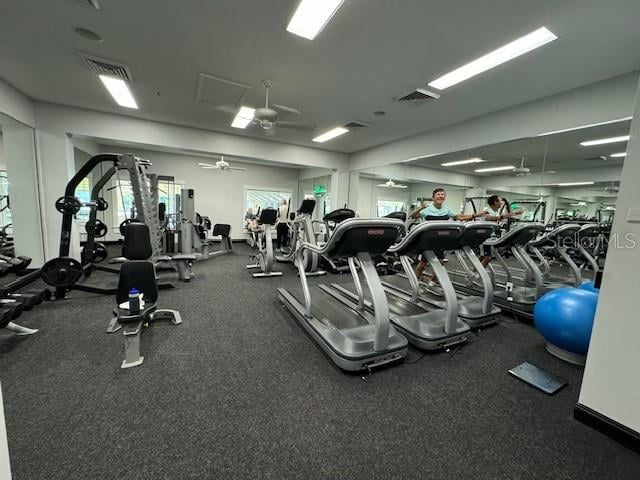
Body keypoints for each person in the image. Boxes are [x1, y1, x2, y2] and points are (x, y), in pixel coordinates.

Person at [411, 188, 475, 281]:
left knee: (441, 263)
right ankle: (415, 282)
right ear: (433, 198)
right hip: (429, 240)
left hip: (441, 240)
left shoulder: (446, 210)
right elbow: (413, 216)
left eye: (442, 194)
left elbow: (459, 217)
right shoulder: (427, 210)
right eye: (438, 194)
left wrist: (474, 215)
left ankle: (432, 283)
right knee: (422, 264)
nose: (441, 196)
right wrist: (420, 208)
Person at [475, 195, 516, 268]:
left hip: (489, 237)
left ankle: (474, 271)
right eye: (500, 201)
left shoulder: (495, 212)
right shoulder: (487, 210)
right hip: (484, 237)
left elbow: (498, 218)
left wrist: (516, 213)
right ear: (495, 202)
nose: (501, 203)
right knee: (487, 258)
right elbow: (488, 217)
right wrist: (502, 217)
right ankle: (478, 274)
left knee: (482, 256)